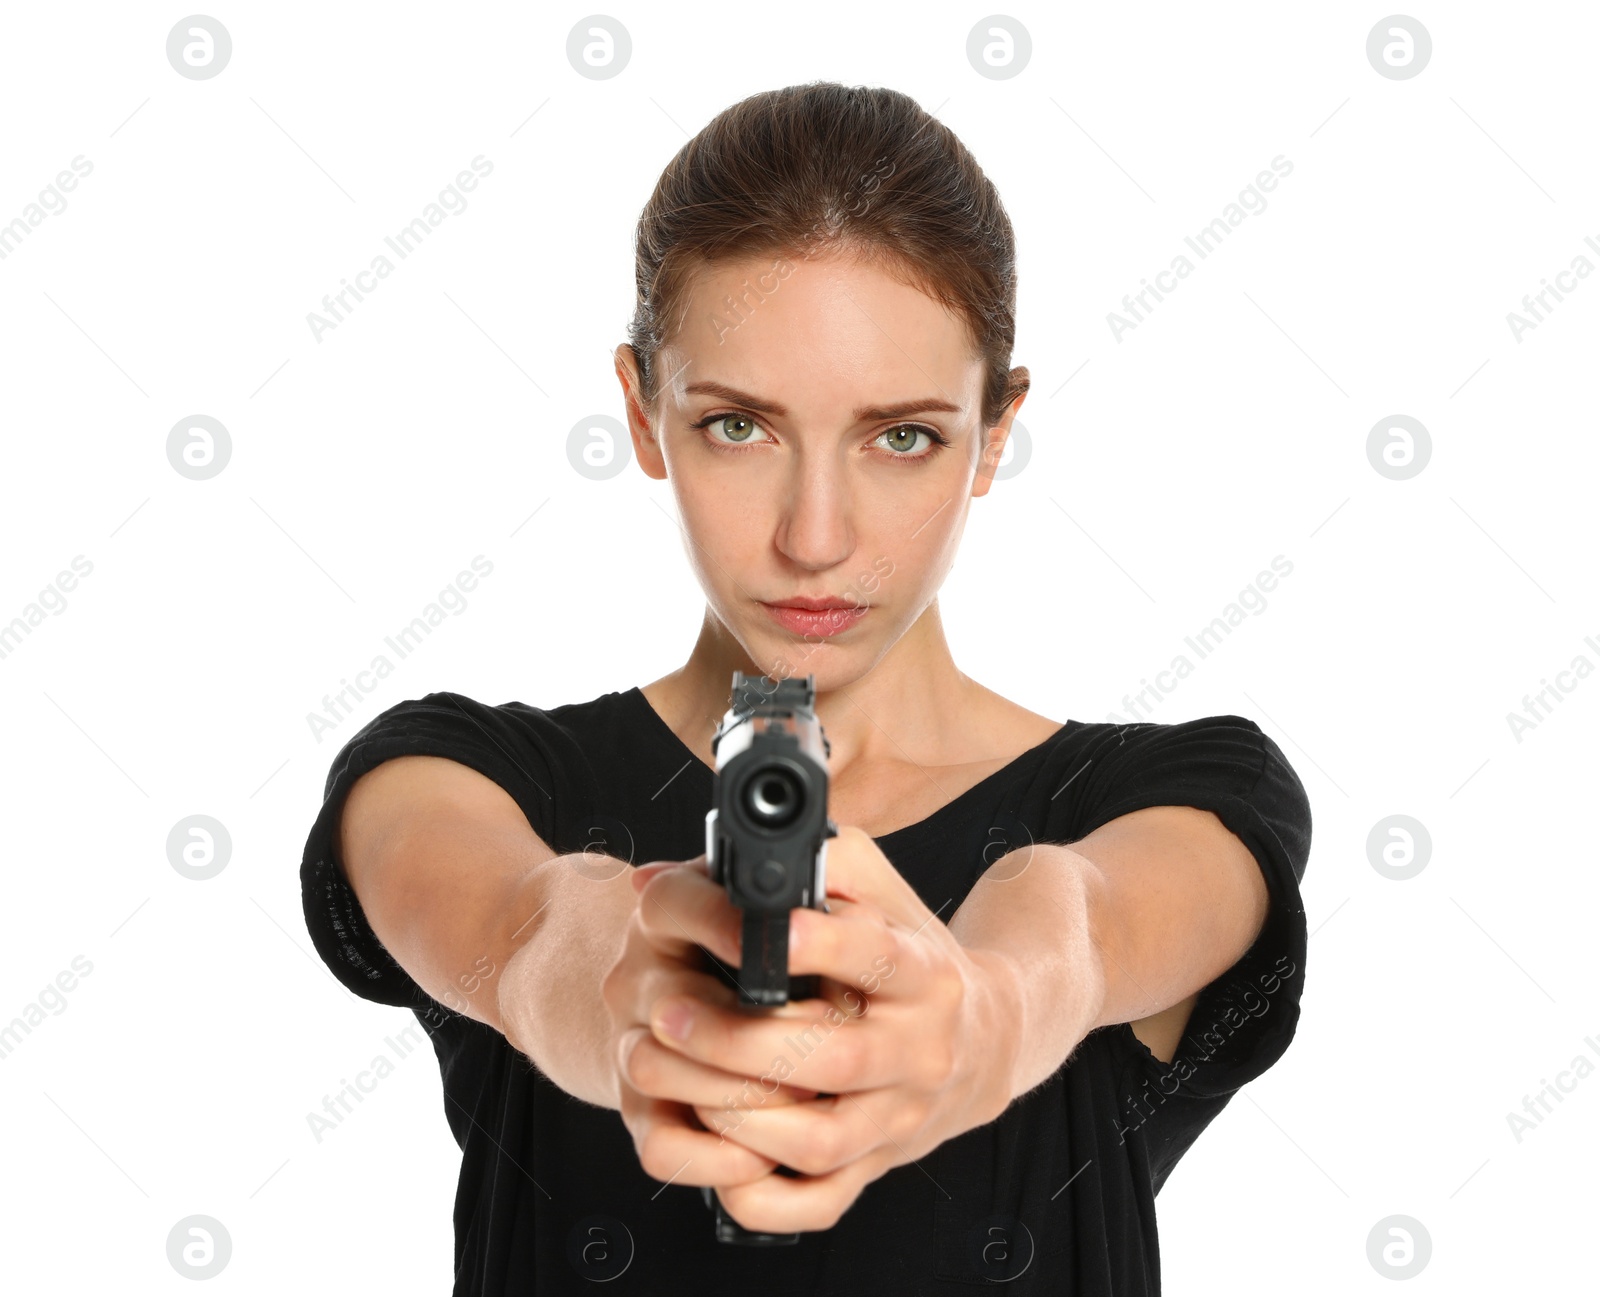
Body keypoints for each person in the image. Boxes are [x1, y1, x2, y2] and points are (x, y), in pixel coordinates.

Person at [300, 81, 1312, 1295]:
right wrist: (610, 990)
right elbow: (521, 928)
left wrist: (982, 1014)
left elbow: (1080, 922)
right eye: (738, 426)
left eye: (902, 437)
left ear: (995, 432)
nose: (816, 537)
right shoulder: (452, 775)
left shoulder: (1175, 796)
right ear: (641, 412)